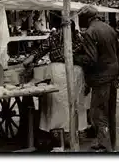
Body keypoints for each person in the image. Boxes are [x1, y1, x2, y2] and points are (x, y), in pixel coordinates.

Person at [23, 19, 88, 147]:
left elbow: (40, 50)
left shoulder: (54, 37)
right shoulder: (78, 38)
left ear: (59, 27)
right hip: (76, 71)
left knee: (56, 103)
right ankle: (73, 132)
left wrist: (28, 60)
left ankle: (57, 132)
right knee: (74, 101)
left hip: (58, 71)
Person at [79, 5, 119, 153]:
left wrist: (76, 57)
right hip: (112, 75)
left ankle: (106, 146)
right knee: (110, 111)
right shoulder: (109, 29)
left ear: (87, 18)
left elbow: (91, 59)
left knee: (97, 113)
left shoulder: (90, 32)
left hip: (101, 78)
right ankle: (111, 143)